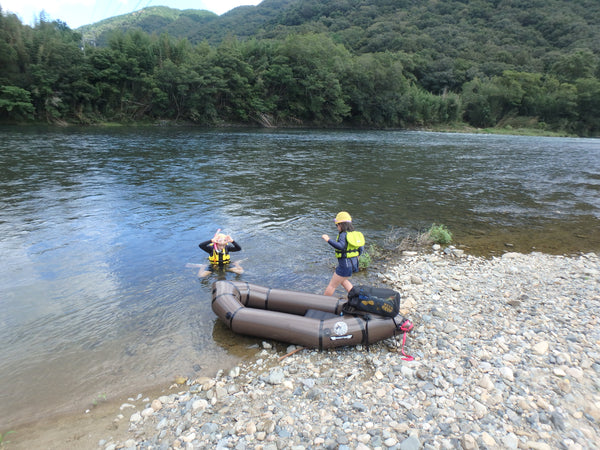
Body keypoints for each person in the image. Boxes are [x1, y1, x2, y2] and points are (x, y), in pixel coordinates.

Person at [321, 211, 364, 296]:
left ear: (341, 225)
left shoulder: (343, 235)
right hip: (354, 264)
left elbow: (340, 246)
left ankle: (323, 303)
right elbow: (361, 249)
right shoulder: (355, 235)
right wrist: (357, 258)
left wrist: (328, 240)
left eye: (337, 225)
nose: (337, 227)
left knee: (332, 285)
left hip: (345, 265)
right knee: (343, 280)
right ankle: (355, 297)